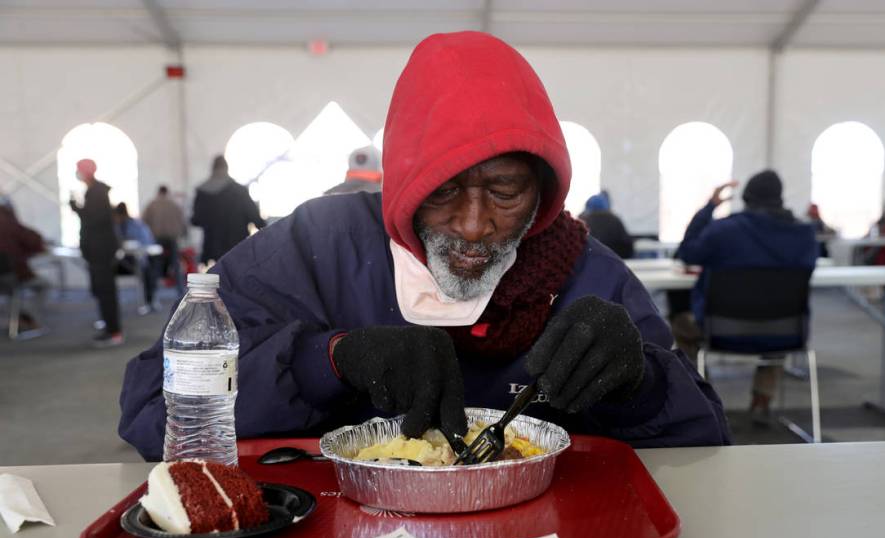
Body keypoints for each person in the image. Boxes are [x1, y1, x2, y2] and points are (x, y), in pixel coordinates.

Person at [119, 31, 729, 461]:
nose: (472, 225)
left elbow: (705, 446)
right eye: (441, 192)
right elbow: (152, 407)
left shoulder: (586, 275)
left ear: (543, 189)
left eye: (505, 191)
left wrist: (638, 381)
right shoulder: (316, 247)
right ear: (402, 183)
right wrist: (328, 360)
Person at [674, 172, 818, 425]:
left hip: (720, 330)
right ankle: (762, 400)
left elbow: (686, 253)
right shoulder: (804, 236)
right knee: (776, 312)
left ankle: (703, 400)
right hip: (786, 332)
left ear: (746, 197)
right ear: (780, 198)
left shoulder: (724, 231)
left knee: (679, 323)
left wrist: (710, 207)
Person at [69, 159, 123, 347]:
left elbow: (94, 221)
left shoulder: (97, 193)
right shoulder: (95, 192)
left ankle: (114, 331)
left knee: (106, 291)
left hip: (101, 252)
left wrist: (77, 209)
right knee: (101, 290)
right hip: (98, 252)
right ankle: (109, 327)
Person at [190, 155, 265, 266]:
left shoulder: (202, 192)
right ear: (226, 168)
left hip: (213, 246)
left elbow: (196, 220)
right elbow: (253, 216)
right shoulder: (239, 190)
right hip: (237, 243)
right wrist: (264, 229)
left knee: (220, 277)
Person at [0, 193, 48, 334]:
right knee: (44, 286)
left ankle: (19, 319)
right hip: (12, 276)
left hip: (6, 278)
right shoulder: (8, 223)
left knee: (10, 292)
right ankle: (28, 318)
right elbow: (32, 239)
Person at [113, 202, 159, 312]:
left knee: (147, 269)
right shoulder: (116, 227)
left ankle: (150, 301)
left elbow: (146, 243)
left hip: (138, 258)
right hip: (122, 260)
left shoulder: (136, 226)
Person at [142, 185, 187, 294]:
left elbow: (144, 220)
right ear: (167, 192)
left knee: (156, 266)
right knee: (176, 265)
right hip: (172, 239)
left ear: (158, 192)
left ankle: (153, 295)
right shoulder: (175, 205)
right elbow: (183, 222)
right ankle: (181, 292)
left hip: (157, 239)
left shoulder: (152, 204)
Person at [578, 191, 634, 259]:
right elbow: (628, 248)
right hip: (613, 263)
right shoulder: (615, 221)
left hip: (588, 264)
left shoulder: (582, 221)